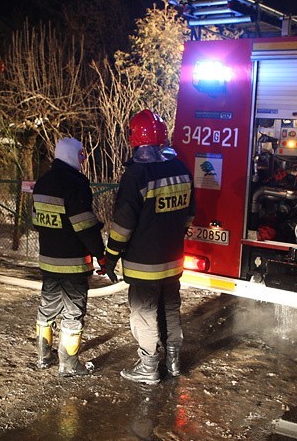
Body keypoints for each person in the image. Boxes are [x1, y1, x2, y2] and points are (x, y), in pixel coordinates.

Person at [105, 109, 195, 385]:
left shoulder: (137, 173)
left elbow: (123, 223)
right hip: (173, 260)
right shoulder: (180, 167)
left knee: (144, 314)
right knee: (170, 309)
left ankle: (148, 367)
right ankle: (173, 361)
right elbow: (189, 213)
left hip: (144, 264)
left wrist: (111, 256)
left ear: (134, 137)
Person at [32, 136, 106, 377]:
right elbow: (84, 224)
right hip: (73, 263)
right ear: (71, 155)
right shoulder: (75, 183)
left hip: (48, 261)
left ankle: (44, 356)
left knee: (47, 308)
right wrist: (100, 254)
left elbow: (36, 221)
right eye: (81, 154)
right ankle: (69, 365)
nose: (83, 159)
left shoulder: (42, 182)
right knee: (73, 313)